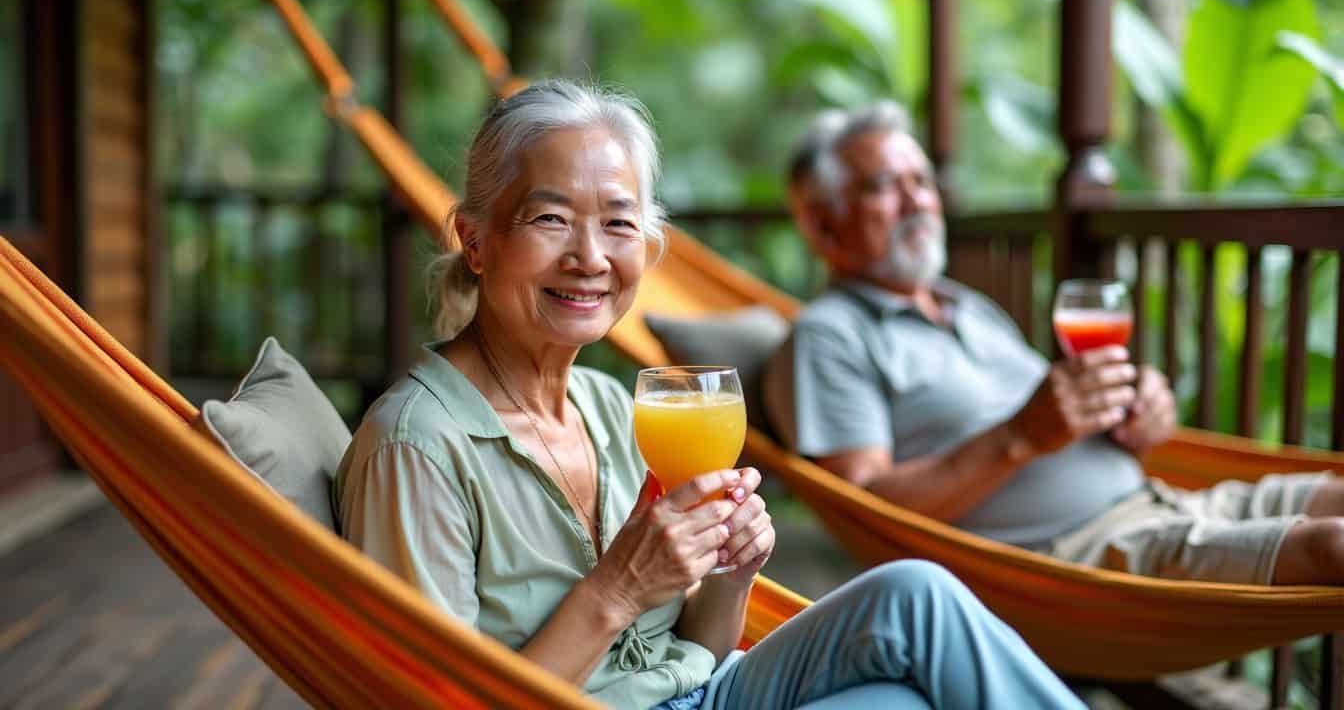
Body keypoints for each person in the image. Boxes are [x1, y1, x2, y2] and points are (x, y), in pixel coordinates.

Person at [336, 80, 1084, 710]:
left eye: (619, 223)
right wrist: (618, 590)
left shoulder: (605, 402)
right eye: (551, 218)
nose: (591, 257)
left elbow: (689, 650)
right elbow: (436, 701)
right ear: (475, 239)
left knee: (913, 609)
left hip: (702, 693)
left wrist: (728, 578)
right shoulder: (417, 444)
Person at [764, 101, 1344, 586]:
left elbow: (1056, 430)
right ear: (822, 225)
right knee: (1332, 548)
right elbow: (865, 509)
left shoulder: (966, 305)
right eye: (885, 186)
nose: (918, 200)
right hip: (1086, 561)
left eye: (922, 180)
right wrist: (1019, 436)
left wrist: (1131, 419)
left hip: (1169, 502)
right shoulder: (831, 335)